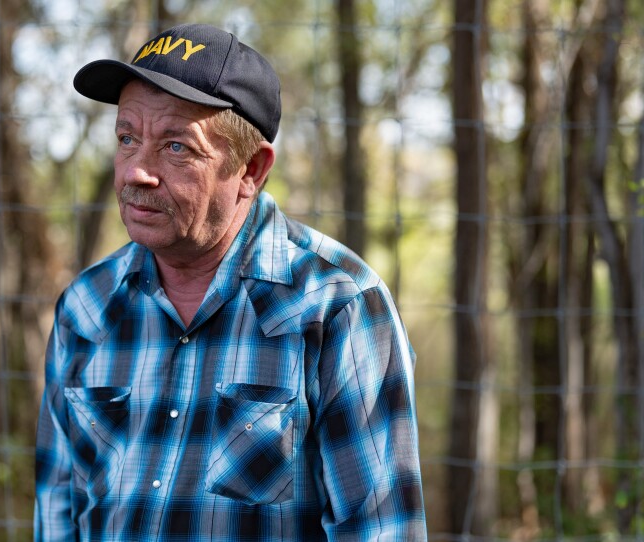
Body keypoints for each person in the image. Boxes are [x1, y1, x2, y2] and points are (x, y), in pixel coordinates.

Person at [35, 22, 426, 540]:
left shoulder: (337, 305)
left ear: (251, 170)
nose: (136, 172)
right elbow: (57, 516)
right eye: (127, 139)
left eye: (176, 148)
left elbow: (382, 530)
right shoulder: (86, 308)